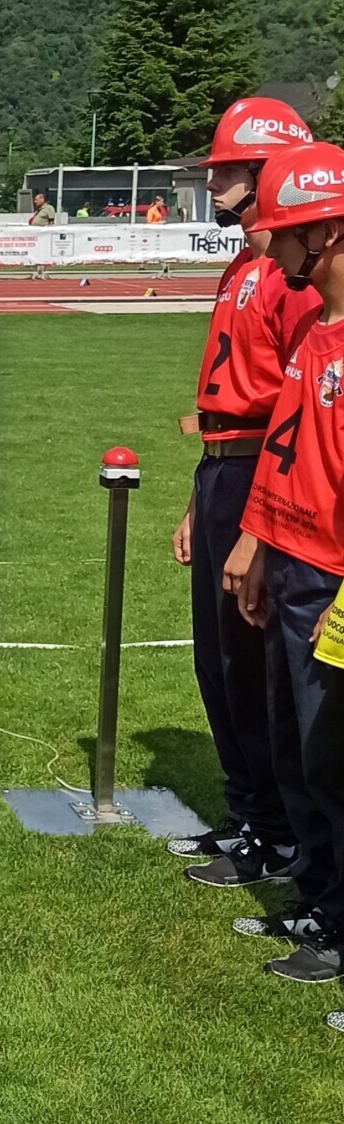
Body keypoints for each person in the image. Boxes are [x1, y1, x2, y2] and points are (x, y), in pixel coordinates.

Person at [170, 98, 315, 891]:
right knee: (218, 661)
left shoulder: (293, 282)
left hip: (261, 467)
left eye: (227, 168)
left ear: (270, 173)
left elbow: (295, 409)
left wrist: (258, 517)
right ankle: (250, 812)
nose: (213, 181)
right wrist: (200, 500)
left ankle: (277, 829)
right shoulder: (242, 267)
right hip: (223, 466)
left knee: (253, 662)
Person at [225, 142, 344, 1016]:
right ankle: (321, 900)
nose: (276, 249)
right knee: (302, 748)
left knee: (333, 756)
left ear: (326, 234)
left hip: (335, 580)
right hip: (296, 568)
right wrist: (260, 545)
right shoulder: (317, 336)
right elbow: (285, 450)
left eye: (289, 234)